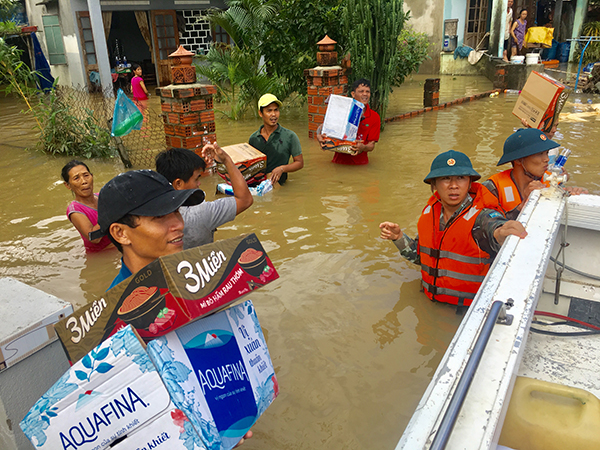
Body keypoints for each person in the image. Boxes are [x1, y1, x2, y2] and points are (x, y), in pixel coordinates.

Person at [89, 170, 252, 447]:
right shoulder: (115, 322)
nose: (178, 224)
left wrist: (234, 408)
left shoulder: (192, 281)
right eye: (160, 218)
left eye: (177, 212)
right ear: (120, 233)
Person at [380, 150, 527, 308]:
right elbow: (422, 258)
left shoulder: (482, 217)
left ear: (470, 183)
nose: (454, 186)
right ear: (434, 184)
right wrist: (399, 238)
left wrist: (502, 232)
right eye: (445, 178)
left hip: (466, 313)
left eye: (461, 178)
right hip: (429, 307)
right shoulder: (431, 213)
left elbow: (494, 229)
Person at [155, 145, 253, 249]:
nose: (199, 183)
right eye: (196, 179)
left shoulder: (149, 215)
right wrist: (226, 160)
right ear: (178, 184)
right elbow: (245, 199)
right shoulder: (201, 213)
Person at [483, 128, 588, 220]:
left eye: (546, 153)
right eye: (539, 154)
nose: (547, 159)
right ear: (519, 160)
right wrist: (523, 205)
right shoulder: (492, 188)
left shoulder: (550, 179)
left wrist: (572, 195)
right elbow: (487, 230)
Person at [317, 78, 381, 165]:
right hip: (338, 162)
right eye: (361, 91)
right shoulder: (343, 110)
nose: (365, 94)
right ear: (353, 94)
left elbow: (371, 145)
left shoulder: (374, 117)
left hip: (360, 165)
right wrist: (319, 136)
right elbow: (322, 127)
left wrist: (363, 147)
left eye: (367, 91)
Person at [248, 93, 304, 185]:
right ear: (260, 113)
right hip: (257, 185)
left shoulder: (290, 136)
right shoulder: (254, 139)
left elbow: (299, 163)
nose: (273, 114)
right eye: (269, 111)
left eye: (276, 110)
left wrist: (282, 169)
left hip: (280, 185)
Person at [61, 160, 112, 252]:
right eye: (76, 178)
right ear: (68, 185)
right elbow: (94, 237)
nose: (84, 181)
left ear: (92, 176)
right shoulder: (75, 210)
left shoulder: (102, 196)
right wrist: (113, 211)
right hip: (102, 255)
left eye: (86, 175)